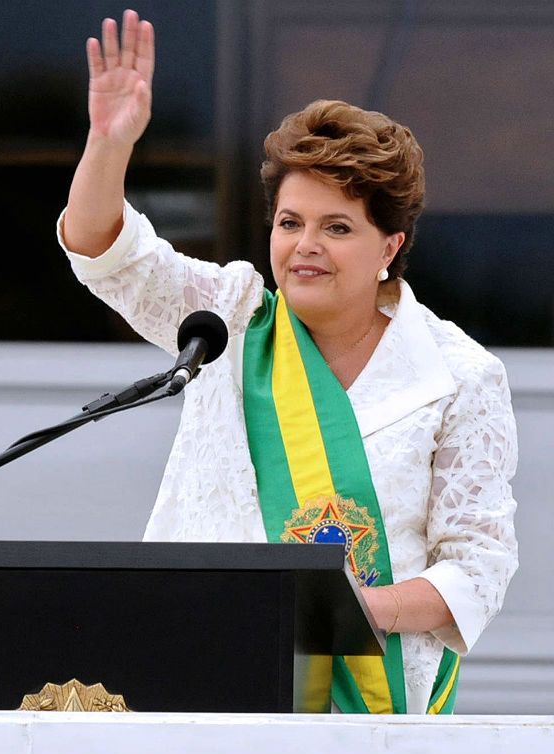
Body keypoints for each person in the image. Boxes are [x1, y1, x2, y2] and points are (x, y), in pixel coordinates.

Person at [59, 11, 518, 714]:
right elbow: (105, 253)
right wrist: (107, 142)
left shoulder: (460, 373)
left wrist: (349, 609)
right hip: (202, 673)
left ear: (390, 246)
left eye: (337, 228)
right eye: (289, 222)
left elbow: (478, 567)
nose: (305, 246)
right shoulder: (233, 316)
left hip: (363, 708)